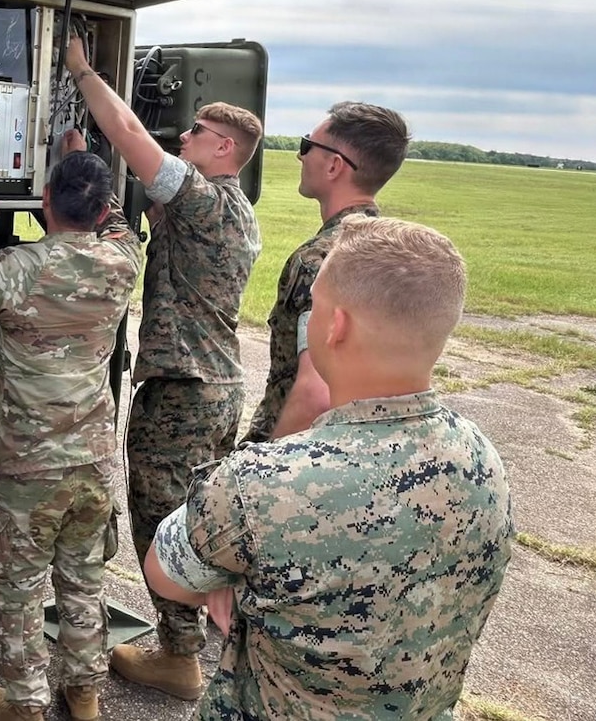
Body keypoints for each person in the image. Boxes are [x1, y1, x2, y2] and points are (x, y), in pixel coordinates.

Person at [147, 215, 515, 720]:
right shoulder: (481, 457)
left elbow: (167, 576)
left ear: (336, 325)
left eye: (315, 305)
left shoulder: (262, 486)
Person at [64, 35, 262, 699]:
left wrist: (82, 69)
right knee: (197, 519)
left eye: (199, 129)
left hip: (182, 390)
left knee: (161, 520)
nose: (185, 132)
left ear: (225, 149)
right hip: (214, 385)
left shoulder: (206, 199)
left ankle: (180, 656)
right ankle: (199, 638)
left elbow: (123, 129)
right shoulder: (237, 213)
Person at [0, 132, 141, 721]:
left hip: (28, 467)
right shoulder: (123, 260)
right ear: (100, 210)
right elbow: (116, 221)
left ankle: (24, 704)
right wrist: (84, 159)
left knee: (17, 588)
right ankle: (85, 693)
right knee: (83, 580)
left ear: (45, 201)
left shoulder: (17, 270)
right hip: (92, 463)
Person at [246, 102, 409, 443]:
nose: (300, 156)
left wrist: (264, 471)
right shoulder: (391, 248)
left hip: (301, 455)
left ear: (335, 165)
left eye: (307, 146)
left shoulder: (323, 259)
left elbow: (314, 393)